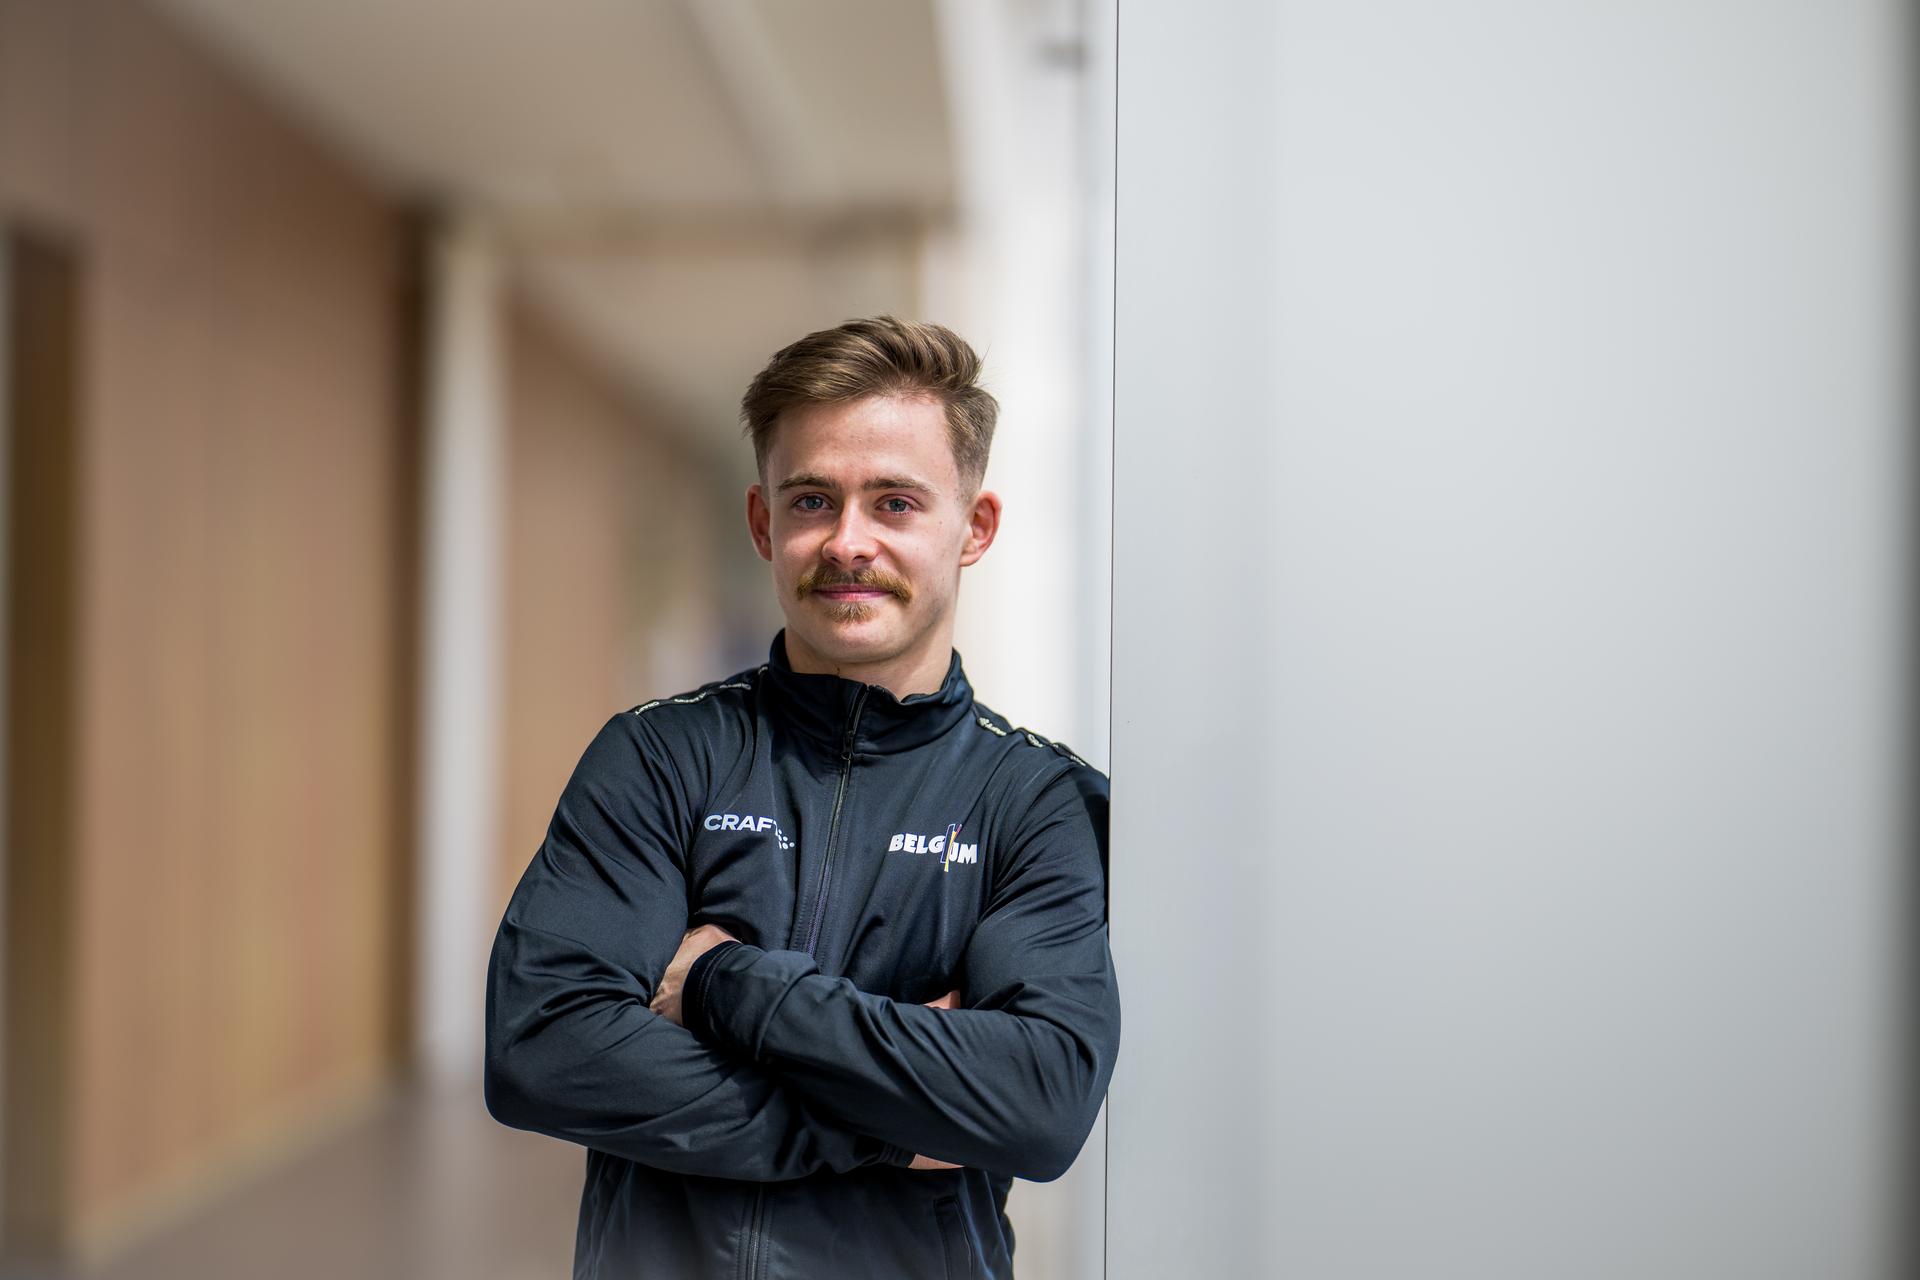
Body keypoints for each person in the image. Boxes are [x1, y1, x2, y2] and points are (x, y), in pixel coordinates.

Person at [483, 316, 1119, 1279]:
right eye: (814, 499)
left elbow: (1037, 1102)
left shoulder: (1038, 802)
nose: (848, 542)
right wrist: (892, 1127)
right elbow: (544, 1048)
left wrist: (716, 984)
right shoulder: (658, 756)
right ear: (763, 523)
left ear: (973, 528)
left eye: (895, 503)